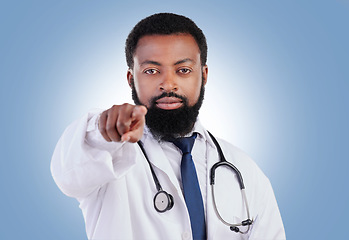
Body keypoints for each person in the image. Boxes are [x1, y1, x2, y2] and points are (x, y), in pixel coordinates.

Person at [51, 13, 286, 240]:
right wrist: (106, 129)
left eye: (183, 70)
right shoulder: (107, 159)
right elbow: (71, 169)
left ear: (203, 75)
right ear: (131, 79)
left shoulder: (245, 169)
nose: (168, 84)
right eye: (151, 71)